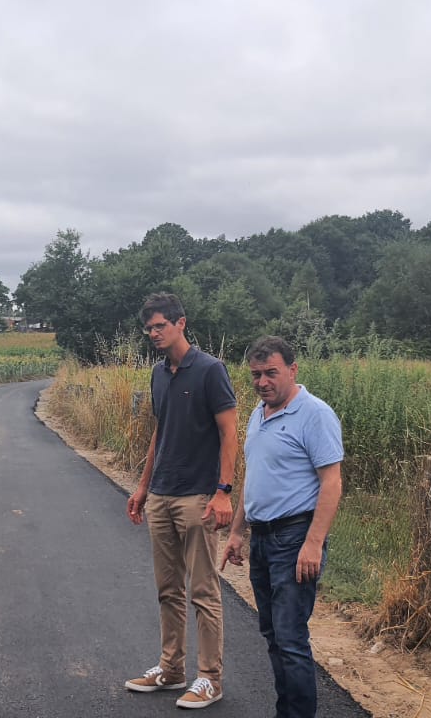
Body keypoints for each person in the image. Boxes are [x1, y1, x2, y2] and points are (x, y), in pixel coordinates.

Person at [124, 292, 239, 710]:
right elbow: (162, 431)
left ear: (181, 323)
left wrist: (224, 491)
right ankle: (171, 669)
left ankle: (210, 678)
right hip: (161, 494)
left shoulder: (210, 370)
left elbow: (229, 432)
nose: (154, 333)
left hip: (198, 496)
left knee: (204, 591)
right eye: (149, 328)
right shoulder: (159, 373)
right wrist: (142, 486)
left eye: (160, 326)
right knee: (167, 589)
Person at [223, 336, 344, 718]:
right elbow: (254, 479)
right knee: (273, 635)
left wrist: (313, 543)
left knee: (291, 638)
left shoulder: (315, 414)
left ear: (292, 370)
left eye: (271, 373)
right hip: (261, 539)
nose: (262, 382)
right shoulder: (259, 413)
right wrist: (237, 533)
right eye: (256, 375)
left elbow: (332, 482)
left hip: (294, 538)